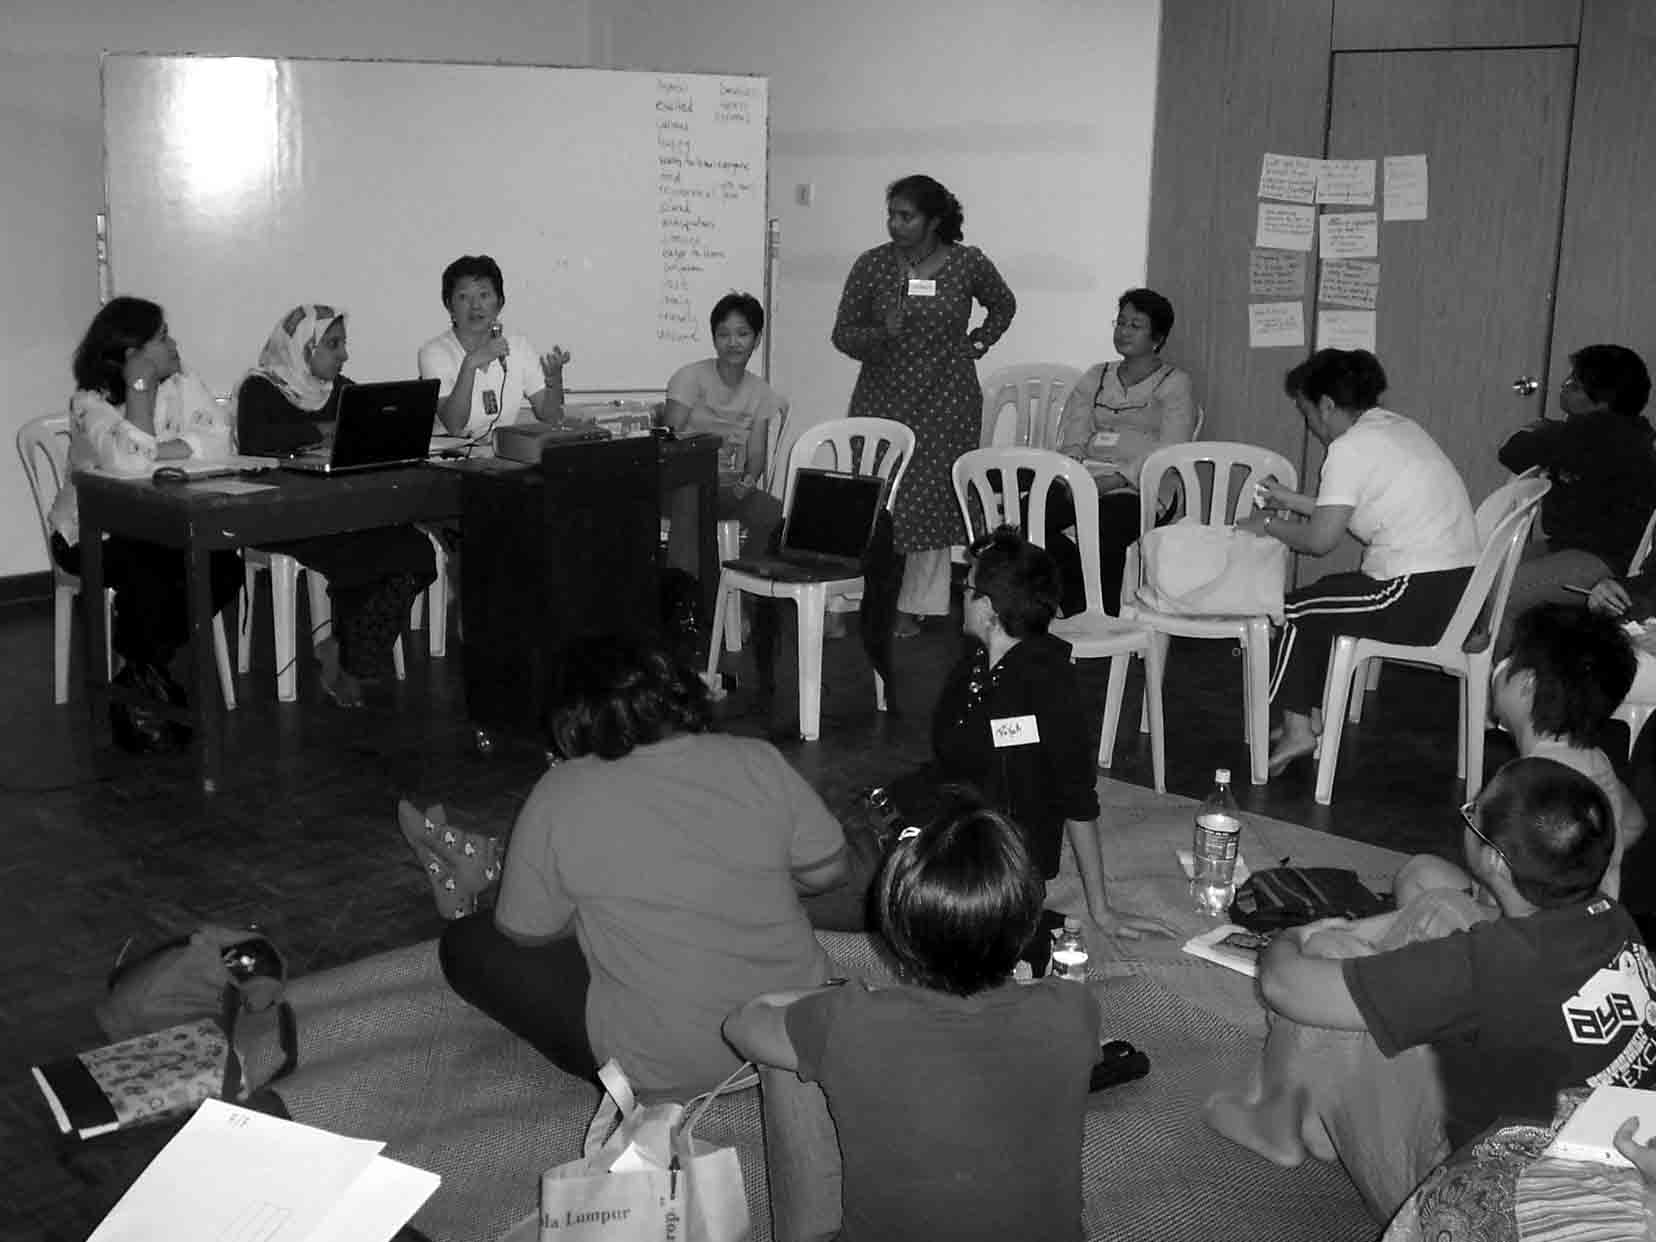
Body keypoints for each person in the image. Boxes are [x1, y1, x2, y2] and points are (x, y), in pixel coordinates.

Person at [1205, 757, 1656, 1220]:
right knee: (1438, 905)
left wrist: (1292, 938)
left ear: (1495, 860)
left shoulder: (1490, 967)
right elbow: (1472, 929)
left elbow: (1284, 987)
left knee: (1325, 955)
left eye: (1473, 815)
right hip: (1584, 1160)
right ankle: (1325, 1111)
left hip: (1474, 1198)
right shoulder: (1615, 922)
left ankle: (1274, 1121)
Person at [438, 634, 847, 1097]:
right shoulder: (757, 758)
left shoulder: (562, 791)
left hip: (668, 1069)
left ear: (570, 719)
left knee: (467, 943)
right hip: (801, 1039)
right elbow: (829, 872)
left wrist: (601, 914)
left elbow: (523, 931)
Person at [725, 799, 1101, 1242]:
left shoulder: (850, 1021)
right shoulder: (1074, 1011)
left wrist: (840, 995)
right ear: (1027, 926)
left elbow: (742, 1025)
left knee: (790, 1070)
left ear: (896, 934)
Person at [804, 526, 1170, 940]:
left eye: (969, 587)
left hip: (969, 867)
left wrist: (1101, 910)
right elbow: (951, 762)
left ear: (991, 609)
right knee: (800, 841)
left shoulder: (1048, 687)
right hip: (919, 820)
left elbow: (1079, 799)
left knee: (793, 890)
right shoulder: (976, 665)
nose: (962, 594)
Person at [1239, 349, 1480, 775]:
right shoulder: (1396, 428)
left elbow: (1318, 540)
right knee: (1322, 597)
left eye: (1307, 412)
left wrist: (1269, 525)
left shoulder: (1351, 448)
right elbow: (1343, 508)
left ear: (1327, 404)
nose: (1310, 425)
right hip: (1455, 589)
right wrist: (1287, 500)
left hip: (1416, 597)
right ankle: (1305, 716)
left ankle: (1297, 727)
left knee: (1297, 606)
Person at [48, 297, 242, 746]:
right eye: (161, 337)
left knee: (223, 565)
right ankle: (149, 684)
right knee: (149, 568)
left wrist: (160, 448)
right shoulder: (88, 403)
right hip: (90, 532)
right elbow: (130, 465)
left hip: (165, 524)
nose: (173, 344)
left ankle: (138, 676)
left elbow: (221, 441)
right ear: (129, 350)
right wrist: (139, 391)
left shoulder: (183, 381)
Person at [831, 174, 1016, 637]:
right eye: (891, 214)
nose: (895, 224)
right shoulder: (872, 265)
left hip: (947, 398)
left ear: (934, 220)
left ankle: (914, 607)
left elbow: (1003, 305)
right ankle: (861, 597)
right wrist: (882, 333)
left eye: (905, 216)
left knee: (931, 501)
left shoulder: (967, 263)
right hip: (883, 399)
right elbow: (844, 335)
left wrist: (980, 341)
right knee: (881, 499)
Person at [236, 305, 437, 706]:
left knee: (415, 552)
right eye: (333, 344)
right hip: (285, 516)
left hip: (346, 510)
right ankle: (352, 661)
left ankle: (344, 651)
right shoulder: (260, 389)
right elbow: (258, 441)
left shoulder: (341, 389)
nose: (344, 354)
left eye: (343, 344)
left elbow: (372, 429)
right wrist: (324, 431)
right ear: (303, 347)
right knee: (367, 556)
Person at [1396, 604, 1641, 901]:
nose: (1500, 667)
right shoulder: (1594, 759)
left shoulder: (1529, 782)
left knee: (1417, 879)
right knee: (1425, 874)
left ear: (1527, 684)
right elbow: (1633, 821)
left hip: (1527, 936)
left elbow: (1500, 882)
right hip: (1583, 924)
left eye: (1509, 659)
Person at [1497, 344, 1656, 651]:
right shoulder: (1631, 430)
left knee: (1501, 593)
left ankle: (1505, 686)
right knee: (1489, 573)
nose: (1563, 388)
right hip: (1572, 547)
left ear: (1601, 400)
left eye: (1573, 384)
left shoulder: (1596, 434)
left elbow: (1512, 450)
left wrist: (1540, 428)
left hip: (1603, 562)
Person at [1050, 288, 1198, 616]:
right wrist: (1073, 470)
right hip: (1085, 477)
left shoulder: (1176, 383)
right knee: (1031, 513)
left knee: (1106, 526)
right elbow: (1075, 429)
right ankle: (1077, 603)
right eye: (1121, 322)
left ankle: (1106, 617)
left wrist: (1115, 480)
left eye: (1135, 325)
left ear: (1157, 338)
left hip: (1143, 485)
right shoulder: (1097, 375)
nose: (1123, 331)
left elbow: (1172, 448)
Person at [661, 292, 784, 574]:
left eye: (742, 334)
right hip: (680, 485)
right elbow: (667, 442)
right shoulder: (688, 377)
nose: (733, 342)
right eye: (723, 334)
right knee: (690, 499)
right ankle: (686, 595)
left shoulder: (760, 391)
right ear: (714, 337)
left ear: (757, 338)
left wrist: (749, 480)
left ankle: (743, 584)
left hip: (728, 489)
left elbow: (756, 454)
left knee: (772, 513)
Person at [417, 254, 572, 439]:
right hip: (447, 461)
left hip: (503, 458)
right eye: (464, 297)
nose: (475, 306)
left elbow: (551, 417)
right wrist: (471, 363)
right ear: (449, 305)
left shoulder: (518, 347)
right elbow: (454, 425)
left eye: (484, 295)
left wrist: (554, 381)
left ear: (499, 302)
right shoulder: (434, 353)